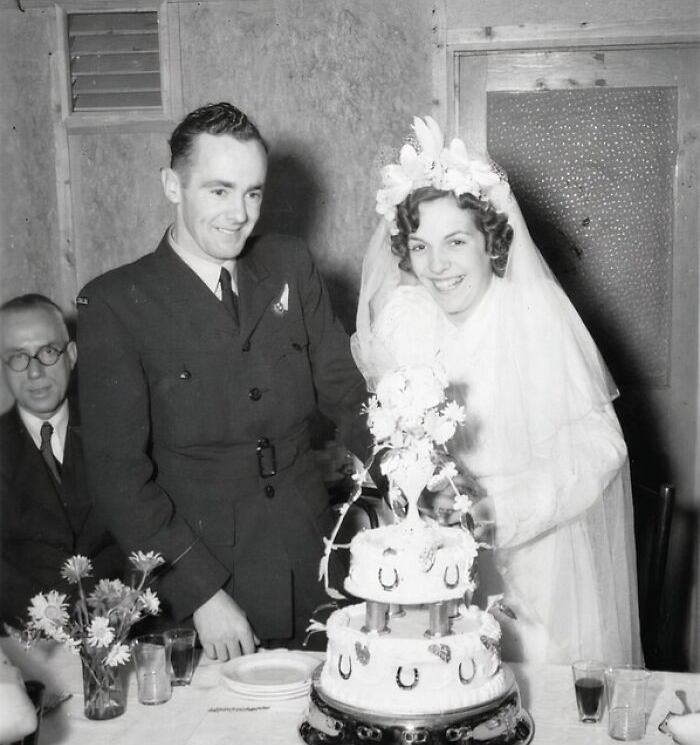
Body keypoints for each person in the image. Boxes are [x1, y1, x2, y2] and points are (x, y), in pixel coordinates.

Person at [76, 102, 372, 661]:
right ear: (172, 185)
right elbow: (119, 479)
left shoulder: (289, 263)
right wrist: (202, 592)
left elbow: (345, 391)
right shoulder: (116, 302)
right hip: (200, 582)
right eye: (218, 191)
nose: (239, 213)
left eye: (253, 192)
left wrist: (408, 478)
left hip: (308, 558)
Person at [352, 116, 642, 666]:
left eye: (456, 241)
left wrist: (498, 510)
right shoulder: (402, 321)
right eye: (419, 246)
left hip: (539, 563)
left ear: (492, 240)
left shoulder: (535, 317)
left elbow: (606, 445)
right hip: (435, 571)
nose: (437, 266)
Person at [0, 294, 124, 629]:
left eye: (48, 351)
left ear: (71, 355)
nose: (36, 371)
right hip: (28, 649)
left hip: (125, 628)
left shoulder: (120, 428)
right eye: (17, 357)